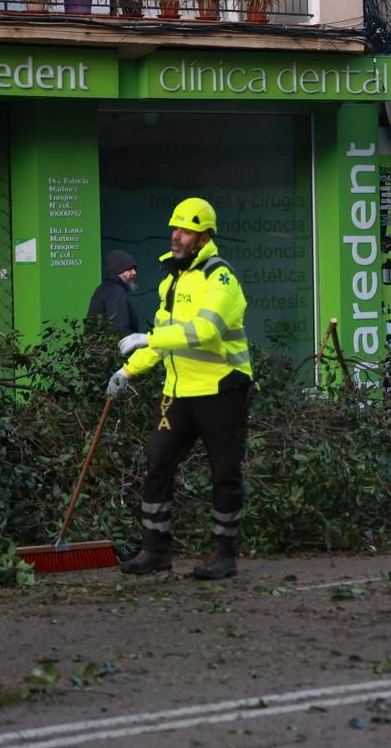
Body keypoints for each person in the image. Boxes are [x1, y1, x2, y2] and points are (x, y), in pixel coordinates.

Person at [105, 197, 252, 579]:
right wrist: (128, 371)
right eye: (174, 228)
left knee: (225, 472)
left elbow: (205, 331)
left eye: (184, 230)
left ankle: (224, 554)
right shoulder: (171, 280)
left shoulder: (220, 277)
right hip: (179, 394)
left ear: (203, 237)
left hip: (221, 391)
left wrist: (146, 339)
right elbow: (161, 340)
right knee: (157, 463)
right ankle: (155, 552)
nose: (176, 236)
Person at [86, 250, 139, 333]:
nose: (134, 272)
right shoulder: (116, 291)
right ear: (119, 270)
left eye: (134, 269)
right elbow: (118, 328)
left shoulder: (105, 288)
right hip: (109, 345)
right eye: (129, 269)